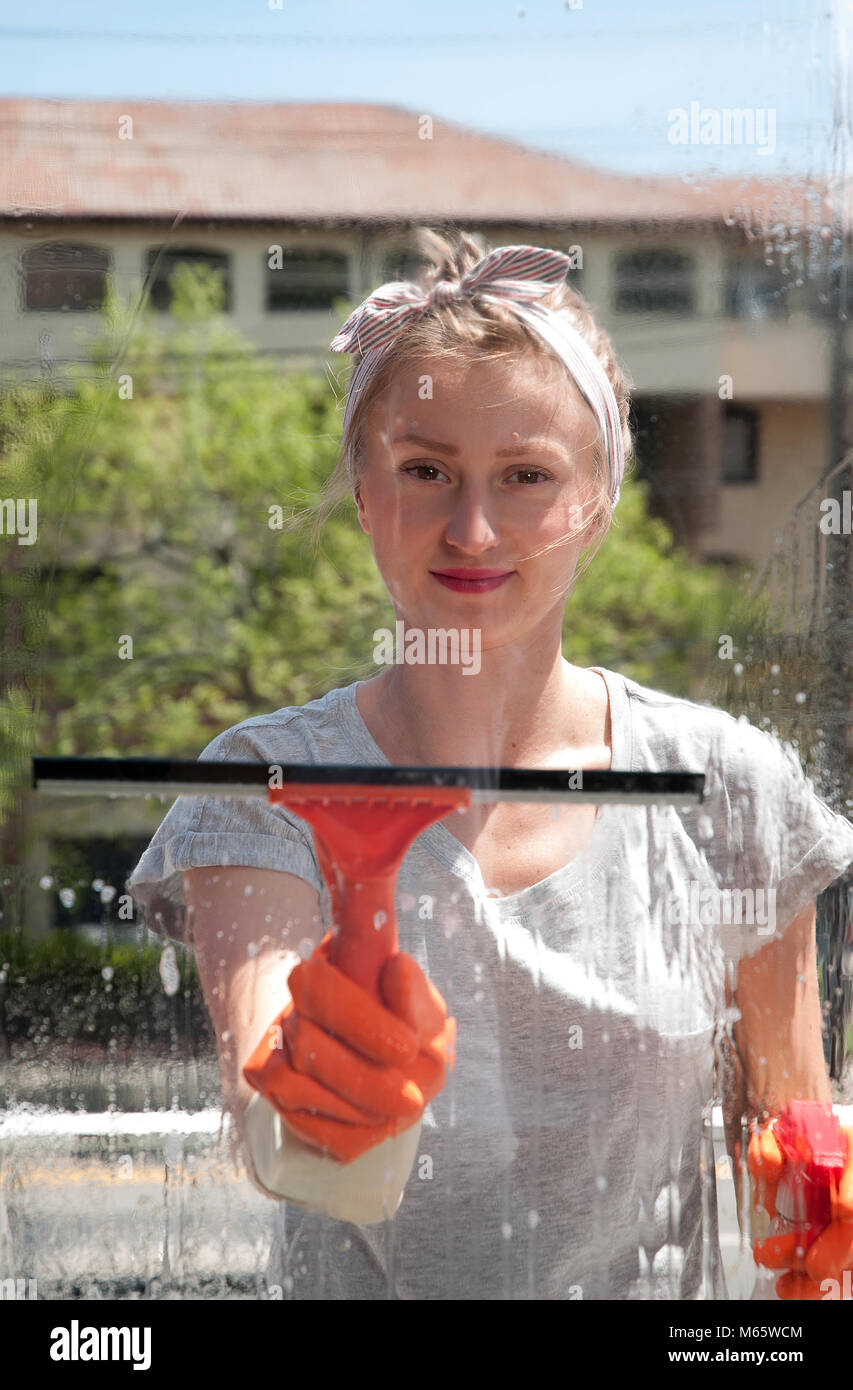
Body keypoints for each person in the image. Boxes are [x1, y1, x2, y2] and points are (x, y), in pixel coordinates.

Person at [127, 228, 853, 1300]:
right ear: (364, 494)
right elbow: (270, 1098)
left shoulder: (728, 783)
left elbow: (789, 1127)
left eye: (525, 476)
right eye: (425, 469)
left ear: (596, 503)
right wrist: (317, 1084)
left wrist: (818, 1228)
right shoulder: (265, 777)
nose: (471, 528)